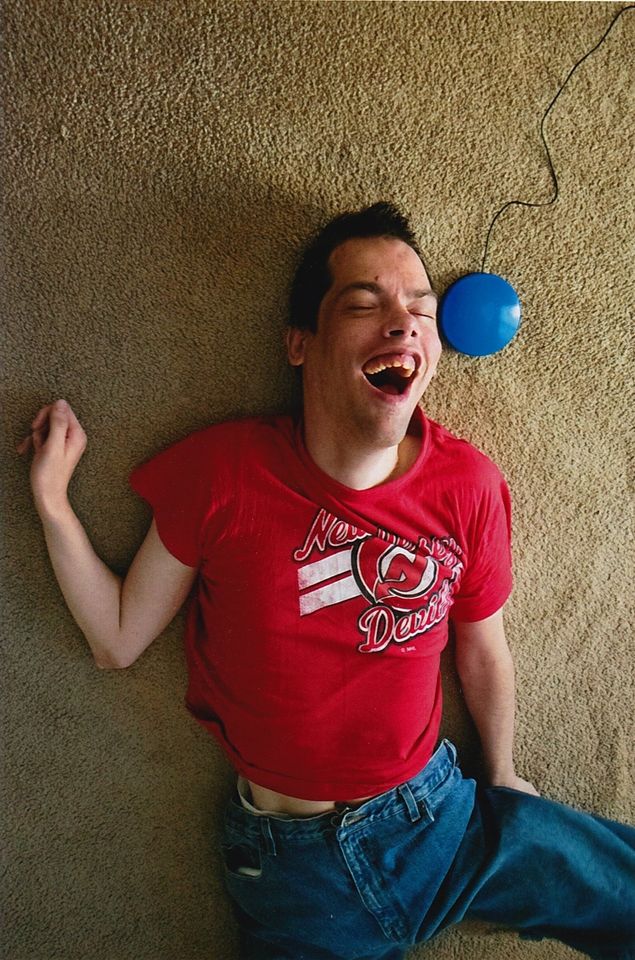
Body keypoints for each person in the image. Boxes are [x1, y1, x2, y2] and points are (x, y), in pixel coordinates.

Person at [17, 203, 635, 960]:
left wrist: (501, 771)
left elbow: (481, 646)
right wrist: (51, 504)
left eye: (420, 309)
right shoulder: (223, 472)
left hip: (440, 819)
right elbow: (115, 639)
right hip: (295, 872)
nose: (403, 323)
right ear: (300, 343)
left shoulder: (469, 485)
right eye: (363, 302)